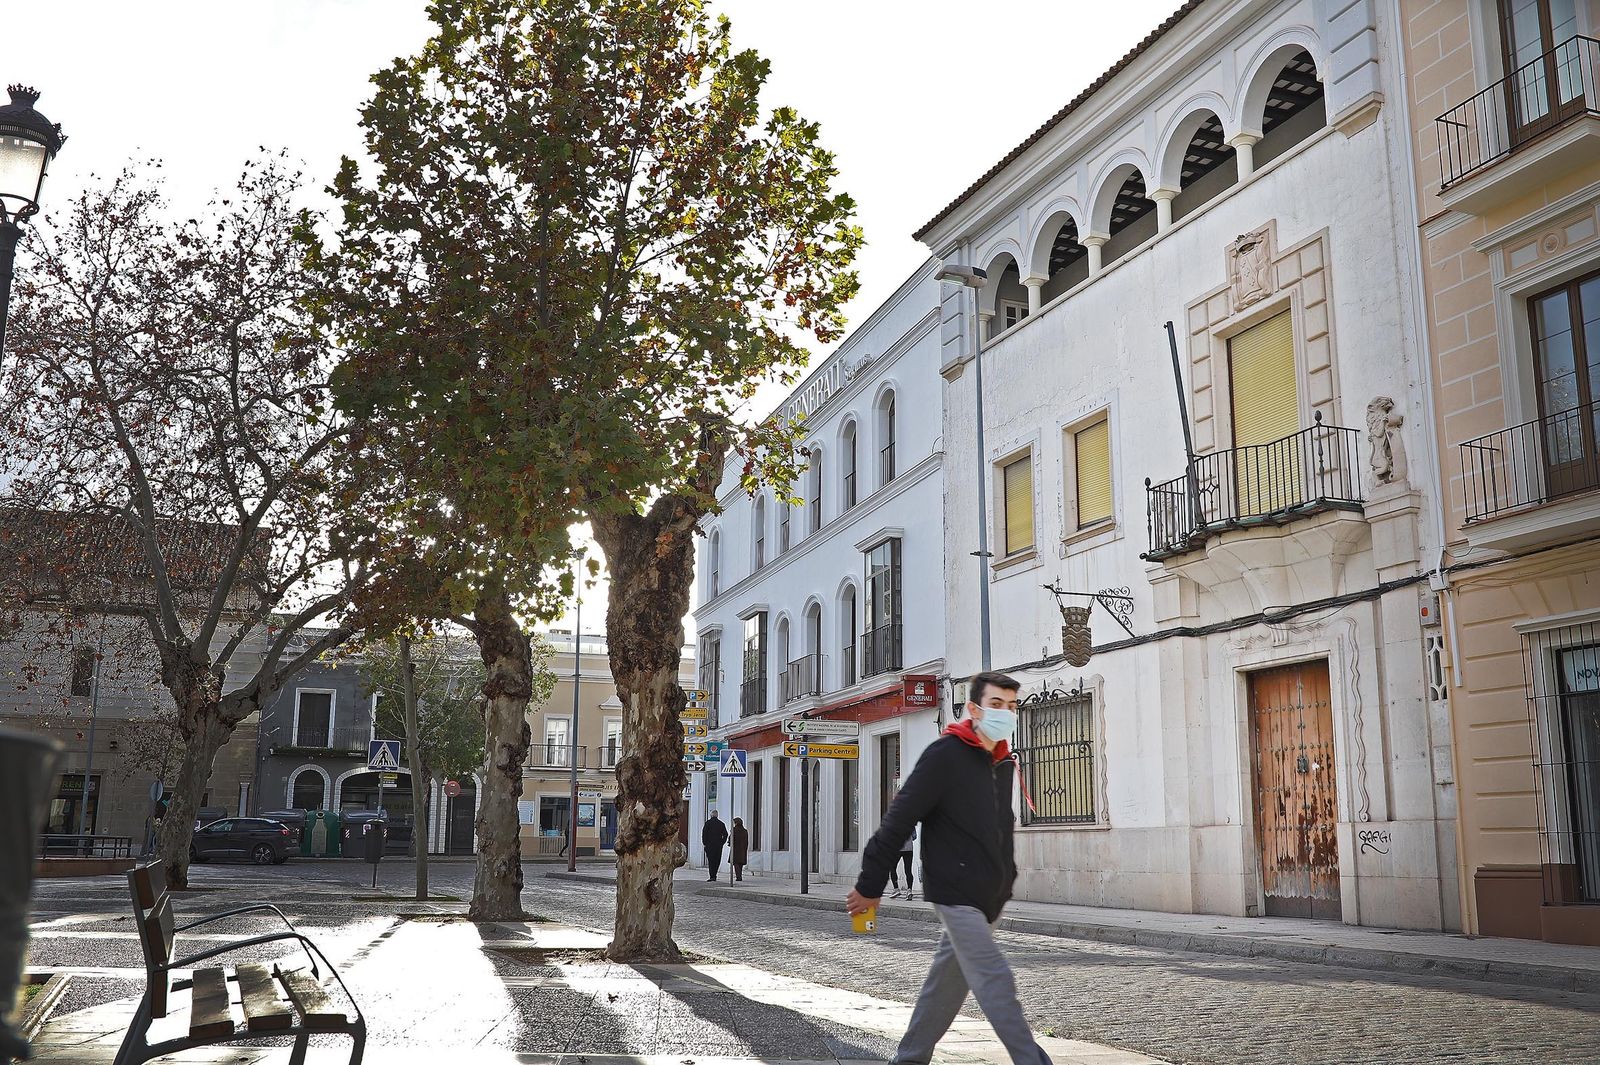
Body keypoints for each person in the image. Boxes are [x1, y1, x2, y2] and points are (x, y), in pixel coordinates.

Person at [846, 672, 1049, 1065]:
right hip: (954, 890)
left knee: (946, 985)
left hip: (988, 895)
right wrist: (871, 885)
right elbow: (899, 819)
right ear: (973, 709)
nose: (1005, 713)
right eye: (995, 705)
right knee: (995, 982)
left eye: (1011, 706)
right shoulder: (945, 755)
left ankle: (910, 1059)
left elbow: (999, 827)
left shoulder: (1002, 760)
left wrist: (1005, 881)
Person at [888, 824, 916, 899]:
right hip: (909, 848)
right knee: (908, 870)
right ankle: (909, 890)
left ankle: (896, 889)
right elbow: (914, 836)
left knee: (892, 867)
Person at [702, 809, 729, 882]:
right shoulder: (721, 824)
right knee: (717, 861)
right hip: (718, 846)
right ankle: (714, 874)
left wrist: (705, 843)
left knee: (711, 861)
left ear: (711, 815)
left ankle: (712, 876)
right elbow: (725, 834)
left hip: (709, 846)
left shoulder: (707, 823)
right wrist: (722, 842)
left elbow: (704, 834)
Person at [730, 816, 749, 882]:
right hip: (742, 849)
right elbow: (746, 841)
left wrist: (730, 844)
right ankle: (739, 875)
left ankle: (738, 876)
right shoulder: (745, 831)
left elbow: (730, 839)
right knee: (740, 863)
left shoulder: (734, 830)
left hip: (735, 849)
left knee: (736, 863)